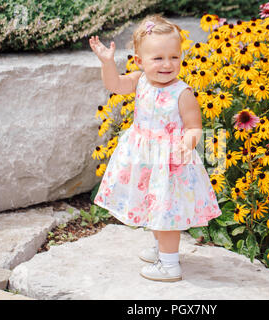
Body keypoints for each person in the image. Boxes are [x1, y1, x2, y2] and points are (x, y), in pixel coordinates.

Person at [89, 14, 222, 282]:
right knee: (154, 207)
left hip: (169, 163)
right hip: (144, 158)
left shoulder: (182, 93)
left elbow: (195, 127)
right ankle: (162, 249)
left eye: (174, 57)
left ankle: (170, 264)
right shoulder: (140, 80)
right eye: (158, 58)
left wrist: (188, 143)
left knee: (166, 211)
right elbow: (114, 84)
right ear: (139, 61)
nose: (167, 64)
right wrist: (107, 63)